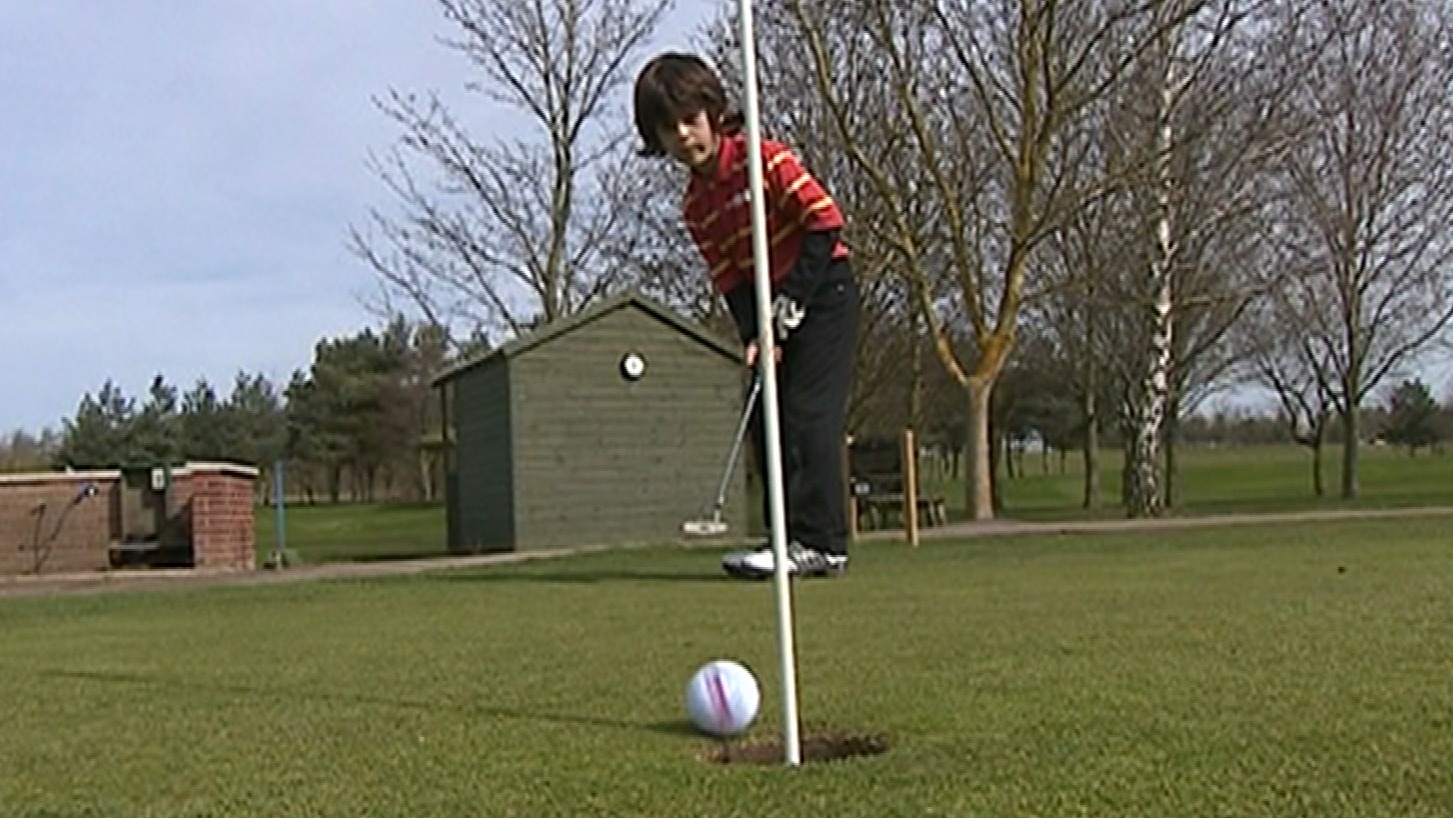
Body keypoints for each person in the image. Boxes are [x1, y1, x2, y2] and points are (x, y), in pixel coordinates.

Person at [633, 52, 860, 579]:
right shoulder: (696, 205)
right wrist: (755, 334)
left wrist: (794, 300)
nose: (683, 136)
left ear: (712, 113)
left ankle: (823, 544)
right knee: (765, 422)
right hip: (767, 303)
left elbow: (826, 222)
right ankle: (783, 538)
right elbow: (731, 280)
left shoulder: (764, 159)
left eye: (690, 120)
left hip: (824, 291)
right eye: (668, 129)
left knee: (807, 416)